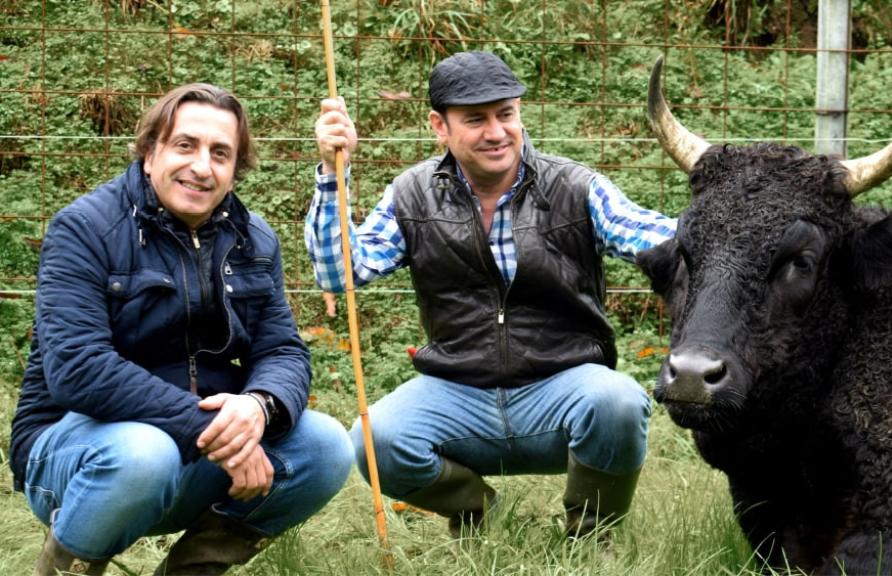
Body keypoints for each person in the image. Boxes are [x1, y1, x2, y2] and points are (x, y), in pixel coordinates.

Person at [305, 51, 675, 540]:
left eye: (506, 114)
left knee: (619, 401)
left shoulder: (575, 187)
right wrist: (334, 174)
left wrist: (732, 227)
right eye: (475, 119)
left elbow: (658, 237)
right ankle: (483, 516)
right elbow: (341, 274)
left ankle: (592, 537)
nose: (497, 132)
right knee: (376, 441)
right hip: (458, 389)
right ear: (440, 126)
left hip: (562, 385)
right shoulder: (412, 194)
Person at [10, 83, 354, 576]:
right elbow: (77, 369)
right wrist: (214, 431)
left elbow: (282, 349)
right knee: (142, 455)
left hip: (196, 451)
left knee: (324, 445)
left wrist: (259, 407)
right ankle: (68, 564)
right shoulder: (84, 229)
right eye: (185, 145)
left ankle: (194, 569)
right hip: (80, 448)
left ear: (235, 170)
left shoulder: (254, 239)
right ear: (150, 153)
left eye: (220, 153)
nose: (201, 167)